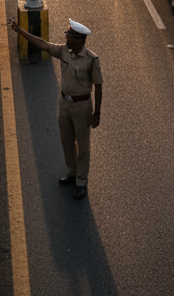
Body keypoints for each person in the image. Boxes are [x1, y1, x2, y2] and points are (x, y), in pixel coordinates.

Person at [7, 16, 103, 200]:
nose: (66, 38)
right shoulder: (64, 52)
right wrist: (20, 31)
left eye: (69, 36)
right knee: (66, 142)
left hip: (82, 106)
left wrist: (97, 112)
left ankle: (82, 181)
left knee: (83, 146)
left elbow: (98, 85)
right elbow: (43, 44)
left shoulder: (91, 60)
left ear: (80, 40)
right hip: (64, 104)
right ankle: (73, 172)